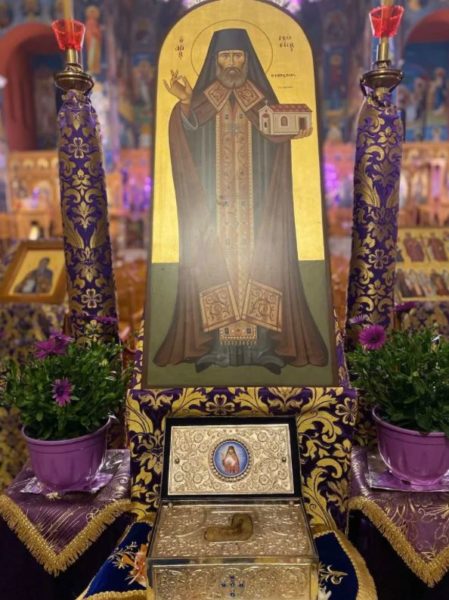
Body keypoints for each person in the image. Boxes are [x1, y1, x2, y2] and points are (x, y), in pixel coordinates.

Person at [157, 28, 328, 373]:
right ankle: (217, 348)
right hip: (214, 211)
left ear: (248, 60)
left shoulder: (260, 99)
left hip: (257, 208)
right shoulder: (204, 99)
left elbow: (277, 132)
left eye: (238, 56)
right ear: (215, 60)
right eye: (225, 56)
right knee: (214, 266)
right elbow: (187, 134)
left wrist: (294, 132)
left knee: (260, 266)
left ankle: (263, 348)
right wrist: (186, 103)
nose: (232, 63)